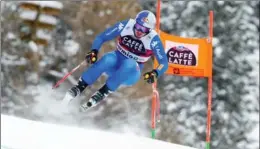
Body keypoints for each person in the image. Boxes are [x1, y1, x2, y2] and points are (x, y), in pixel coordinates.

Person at [62, 10, 168, 111]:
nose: (139, 31)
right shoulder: (126, 25)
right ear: (135, 22)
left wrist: (155, 73)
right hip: (116, 62)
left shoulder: (153, 39)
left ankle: (103, 92)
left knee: (129, 62)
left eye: (144, 29)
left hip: (130, 73)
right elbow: (101, 37)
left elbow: (164, 62)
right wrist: (94, 51)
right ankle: (79, 87)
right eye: (138, 26)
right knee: (108, 58)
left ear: (149, 30)